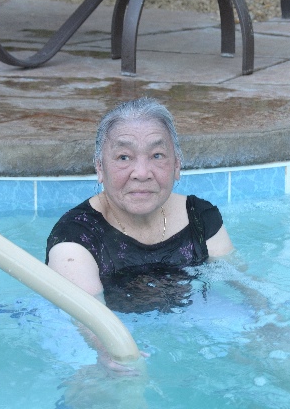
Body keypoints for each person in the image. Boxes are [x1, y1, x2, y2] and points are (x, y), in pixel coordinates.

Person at [45, 97, 234, 315]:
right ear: (100, 167)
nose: (142, 173)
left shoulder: (200, 218)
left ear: (176, 165)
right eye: (124, 157)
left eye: (157, 155)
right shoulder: (75, 239)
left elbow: (240, 282)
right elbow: (92, 325)